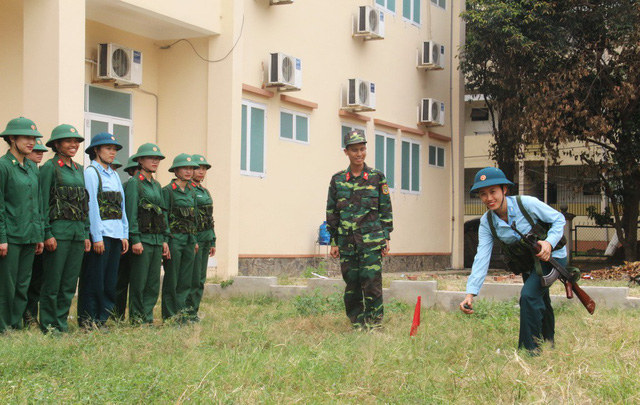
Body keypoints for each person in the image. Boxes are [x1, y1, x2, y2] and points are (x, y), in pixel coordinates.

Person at [459, 167, 567, 354]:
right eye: (483, 194)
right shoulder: (487, 222)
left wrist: (548, 243)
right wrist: (470, 293)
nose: (489, 198)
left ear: (504, 190)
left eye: (493, 191)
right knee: (540, 299)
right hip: (527, 263)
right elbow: (481, 257)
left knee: (529, 296)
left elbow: (558, 219)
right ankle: (548, 343)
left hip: (553, 258)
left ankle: (530, 351)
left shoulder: (527, 204)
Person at [326, 130, 393, 329]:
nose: (359, 154)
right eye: (354, 150)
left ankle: (373, 324)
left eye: (362, 149)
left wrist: (386, 237)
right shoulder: (337, 180)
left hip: (371, 242)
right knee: (352, 285)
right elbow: (332, 212)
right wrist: (334, 241)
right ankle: (357, 323)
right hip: (347, 243)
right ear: (346, 152)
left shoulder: (376, 177)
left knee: (372, 284)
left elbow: (385, 208)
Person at [39, 124, 91, 333]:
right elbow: (42, 203)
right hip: (57, 233)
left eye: (76, 142)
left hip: (77, 234)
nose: (74, 145)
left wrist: (86, 233)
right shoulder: (49, 168)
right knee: (53, 282)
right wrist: (47, 233)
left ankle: (61, 321)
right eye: (68, 141)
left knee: (69, 283)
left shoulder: (79, 169)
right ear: (57, 144)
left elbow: (83, 204)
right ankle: (50, 325)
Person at [77, 133, 129, 328]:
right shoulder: (91, 172)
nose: (113, 152)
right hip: (101, 235)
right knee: (94, 279)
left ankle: (102, 319)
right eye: (108, 148)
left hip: (115, 234)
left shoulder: (114, 174)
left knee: (109, 280)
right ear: (96, 150)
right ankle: (88, 320)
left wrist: (125, 233)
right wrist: (96, 236)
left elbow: (121, 206)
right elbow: (91, 206)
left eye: (114, 149)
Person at [0, 117, 44, 333]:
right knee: (6, 285)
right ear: (12, 138)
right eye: (27, 137)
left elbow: (38, 205)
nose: (32, 142)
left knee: (22, 284)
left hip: (30, 235)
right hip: (11, 235)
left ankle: (15, 324)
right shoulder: (3, 166)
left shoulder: (33, 168)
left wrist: (39, 235)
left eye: (34, 138)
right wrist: (2, 238)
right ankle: (3, 326)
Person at [124, 143, 169, 324]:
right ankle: (136, 318)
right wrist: (134, 239)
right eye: (151, 158)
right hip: (142, 239)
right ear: (140, 160)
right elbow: (131, 212)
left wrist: (165, 239)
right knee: (139, 281)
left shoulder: (157, 185)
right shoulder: (135, 183)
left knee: (153, 282)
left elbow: (162, 212)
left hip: (157, 239)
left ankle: (147, 316)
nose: (155, 161)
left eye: (157, 158)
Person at [161, 153, 199, 322]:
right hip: (175, 240)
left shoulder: (192, 191)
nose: (189, 171)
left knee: (185, 280)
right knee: (172, 280)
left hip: (189, 241)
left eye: (191, 168)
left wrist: (195, 240)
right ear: (176, 170)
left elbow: (194, 217)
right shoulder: (168, 191)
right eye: (185, 168)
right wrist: (166, 240)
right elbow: (164, 217)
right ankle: (170, 316)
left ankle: (182, 315)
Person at [186, 154, 216, 322]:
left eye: (204, 169)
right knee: (191, 277)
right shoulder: (188, 189)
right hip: (194, 240)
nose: (201, 171)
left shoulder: (205, 191)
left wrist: (212, 240)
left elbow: (209, 218)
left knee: (200, 279)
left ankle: (193, 312)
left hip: (206, 239)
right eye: (198, 168)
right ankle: (187, 311)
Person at [22, 136, 48, 327]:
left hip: (37, 234)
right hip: (20, 233)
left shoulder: (39, 173)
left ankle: (31, 315)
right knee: (21, 280)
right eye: (36, 150)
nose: (39, 153)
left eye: (41, 151)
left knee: (36, 278)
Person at [113, 157, 139, 321]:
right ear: (130, 172)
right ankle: (117, 314)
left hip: (134, 238)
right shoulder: (128, 186)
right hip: (126, 239)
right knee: (121, 280)